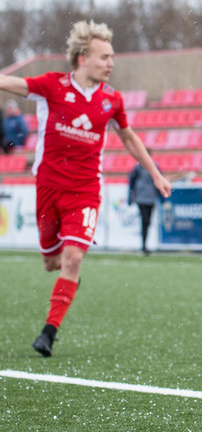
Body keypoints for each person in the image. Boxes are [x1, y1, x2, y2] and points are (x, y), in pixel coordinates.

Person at [0, 20, 172, 357]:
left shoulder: (111, 99)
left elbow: (128, 137)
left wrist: (155, 173)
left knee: (74, 256)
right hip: (48, 188)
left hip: (85, 192)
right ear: (82, 58)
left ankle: (48, 332)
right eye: (104, 57)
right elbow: (11, 83)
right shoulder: (51, 86)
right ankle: (69, 277)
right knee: (52, 262)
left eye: (112, 57)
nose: (111, 63)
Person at [128, 151, 164, 255]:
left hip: (151, 197)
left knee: (147, 222)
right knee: (145, 221)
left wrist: (162, 197)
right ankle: (143, 246)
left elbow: (159, 180)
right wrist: (131, 197)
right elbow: (131, 183)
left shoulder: (154, 166)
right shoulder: (138, 167)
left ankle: (144, 245)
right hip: (141, 198)